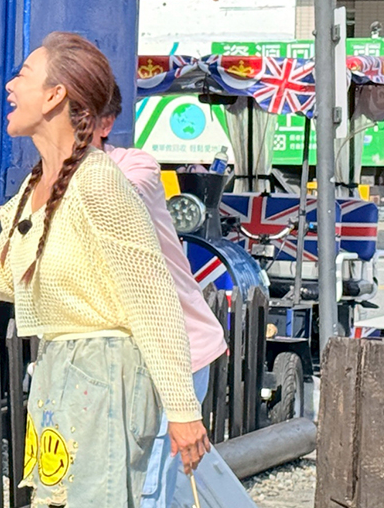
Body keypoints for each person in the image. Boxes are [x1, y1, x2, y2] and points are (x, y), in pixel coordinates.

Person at [0, 32, 209, 508]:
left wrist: (182, 410)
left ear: (55, 95)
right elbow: (1, 274)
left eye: (24, 76)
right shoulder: (38, 185)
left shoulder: (99, 183)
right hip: (60, 372)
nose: (10, 87)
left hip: (105, 375)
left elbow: (153, 303)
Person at [95, 85, 238, 508]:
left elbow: (119, 197)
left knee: (149, 484)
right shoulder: (47, 181)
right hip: (115, 357)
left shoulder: (133, 166)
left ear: (104, 124)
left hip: (174, 349)